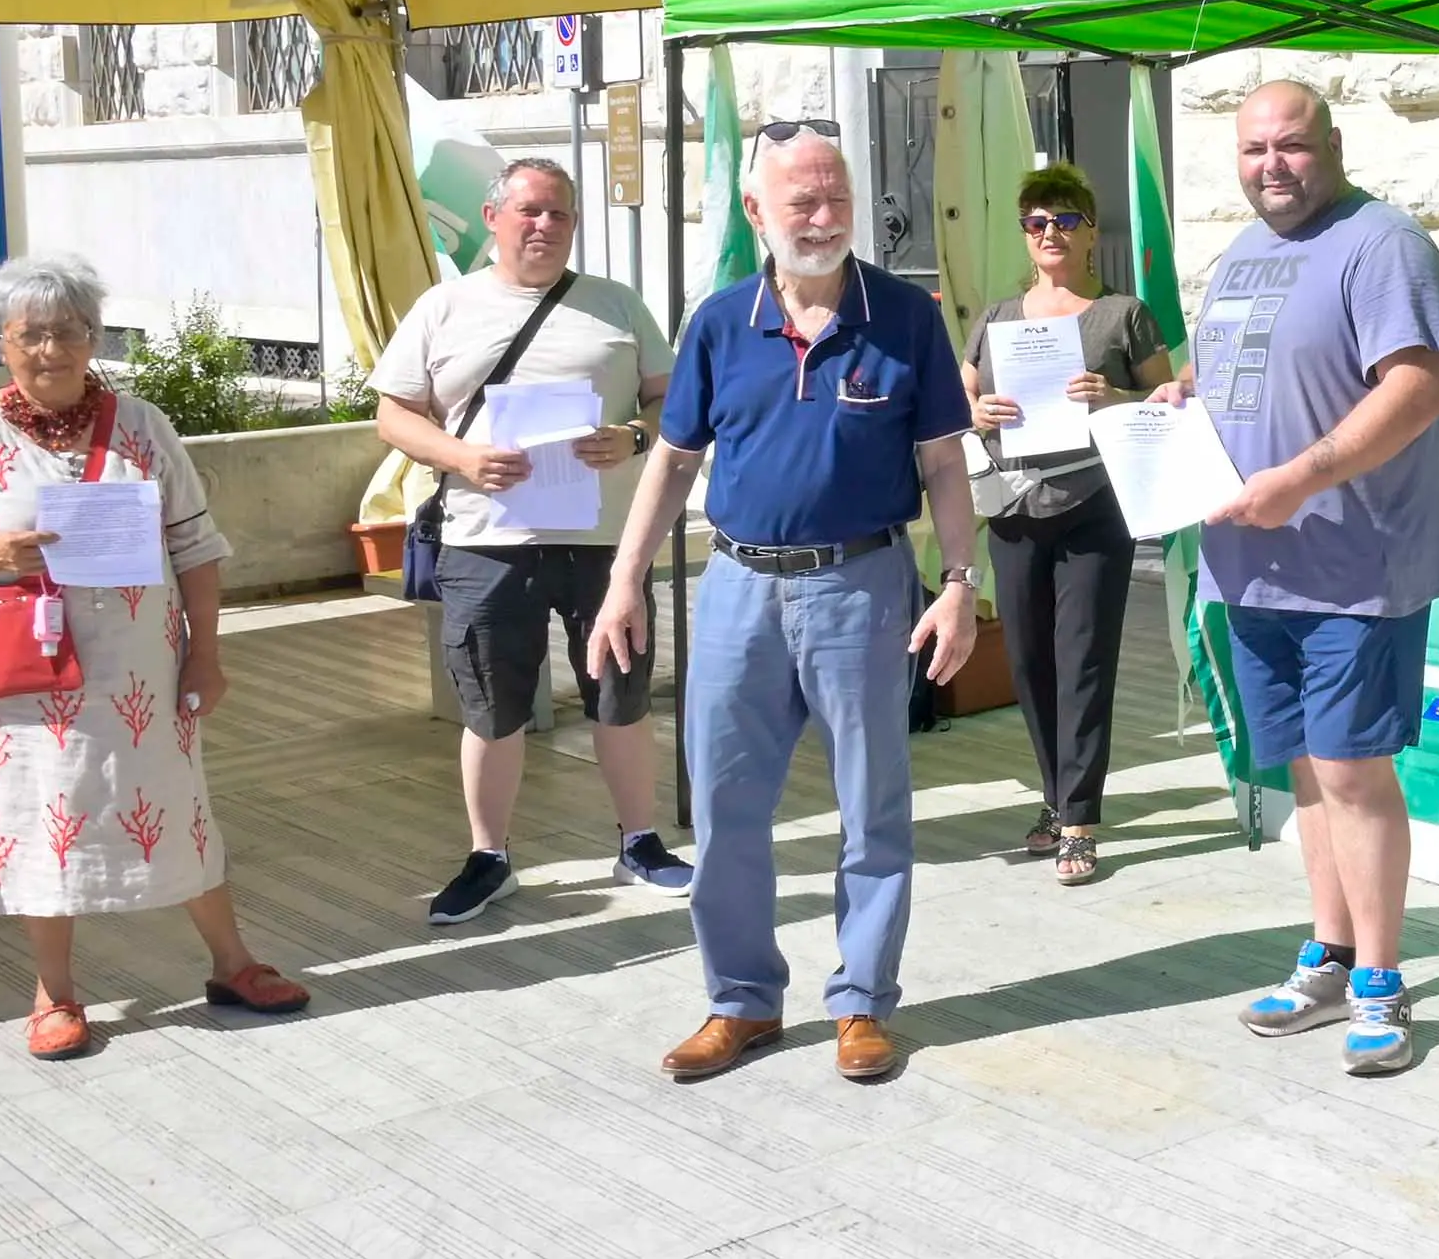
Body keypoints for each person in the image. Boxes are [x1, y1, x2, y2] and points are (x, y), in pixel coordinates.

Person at [588, 124, 979, 1084]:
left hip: (862, 584)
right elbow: (674, 459)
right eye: (800, 200)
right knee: (723, 810)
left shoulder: (905, 317)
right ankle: (741, 1002)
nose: (824, 214)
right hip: (736, 586)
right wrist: (625, 577)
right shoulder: (722, 321)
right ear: (757, 213)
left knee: (872, 805)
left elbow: (942, 462)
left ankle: (862, 1004)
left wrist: (963, 584)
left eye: (836, 195)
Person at [0, 254, 310, 1060]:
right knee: (37, 815)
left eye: (70, 331)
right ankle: (54, 993)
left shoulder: (144, 425)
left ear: (94, 337)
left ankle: (232, 964)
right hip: (19, 677)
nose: (52, 350)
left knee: (176, 805)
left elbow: (195, 547)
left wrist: (206, 654)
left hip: (140, 671)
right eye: (31, 334)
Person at [1151, 80, 1439, 1077]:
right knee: (1301, 767)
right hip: (1247, 566)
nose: (1270, 164)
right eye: (1251, 150)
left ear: (1330, 143)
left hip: (1350, 564)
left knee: (1350, 770)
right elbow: (1249, 371)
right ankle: (1327, 954)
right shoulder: (1241, 255)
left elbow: (1415, 386)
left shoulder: (1382, 243)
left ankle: (1380, 978)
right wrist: (1181, 395)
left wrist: (1305, 475)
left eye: (1289, 144)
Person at [371, 155, 693, 921]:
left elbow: (670, 398)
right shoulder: (444, 307)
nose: (544, 226)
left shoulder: (616, 305)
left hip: (605, 540)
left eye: (559, 214)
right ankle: (490, 857)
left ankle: (639, 842)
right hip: (486, 541)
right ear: (494, 219)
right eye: (529, 212)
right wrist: (461, 458)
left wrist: (633, 436)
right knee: (491, 705)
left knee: (619, 692)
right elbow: (393, 413)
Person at [960, 163, 1172, 884]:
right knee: (1029, 663)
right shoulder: (995, 318)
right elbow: (961, 399)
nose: (1049, 232)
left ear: (1090, 233)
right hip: (1012, 508)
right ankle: (1055, 799)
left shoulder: (1123, 314)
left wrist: (1111, 394)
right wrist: (976, 411)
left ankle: (1079, 818)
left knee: (1082, 660)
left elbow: (1165, 402)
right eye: (1035, 222)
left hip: (1092, 504)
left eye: (1063, 220)